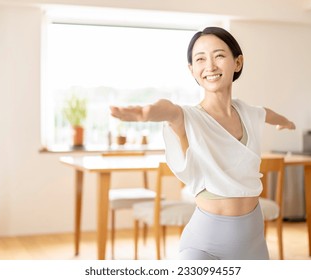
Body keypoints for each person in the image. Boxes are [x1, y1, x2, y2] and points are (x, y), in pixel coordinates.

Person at [110, 26, 296, 260]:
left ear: (237, 62)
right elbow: (170, 110)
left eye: (219, 55)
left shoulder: (248, 113)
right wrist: (147, 113)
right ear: (192, 69)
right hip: (205, 247)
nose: (210, 66)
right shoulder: (189, 117)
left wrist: (285, 122)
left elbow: (266, 114)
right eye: (200, 59)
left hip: (254, 242)